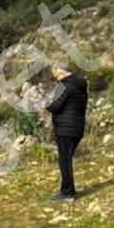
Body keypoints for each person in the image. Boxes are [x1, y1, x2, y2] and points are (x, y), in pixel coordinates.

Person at [42, 64, 88, 200]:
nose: (57, 80)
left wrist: (45, 102)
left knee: (65, 161)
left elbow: (55, 106)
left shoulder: (65, 85)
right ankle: (69, 189)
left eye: (57, 77)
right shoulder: (80, 84)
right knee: (67, 159)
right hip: (77, 127)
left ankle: (67, 192)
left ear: (61, 73)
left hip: (65, 129)